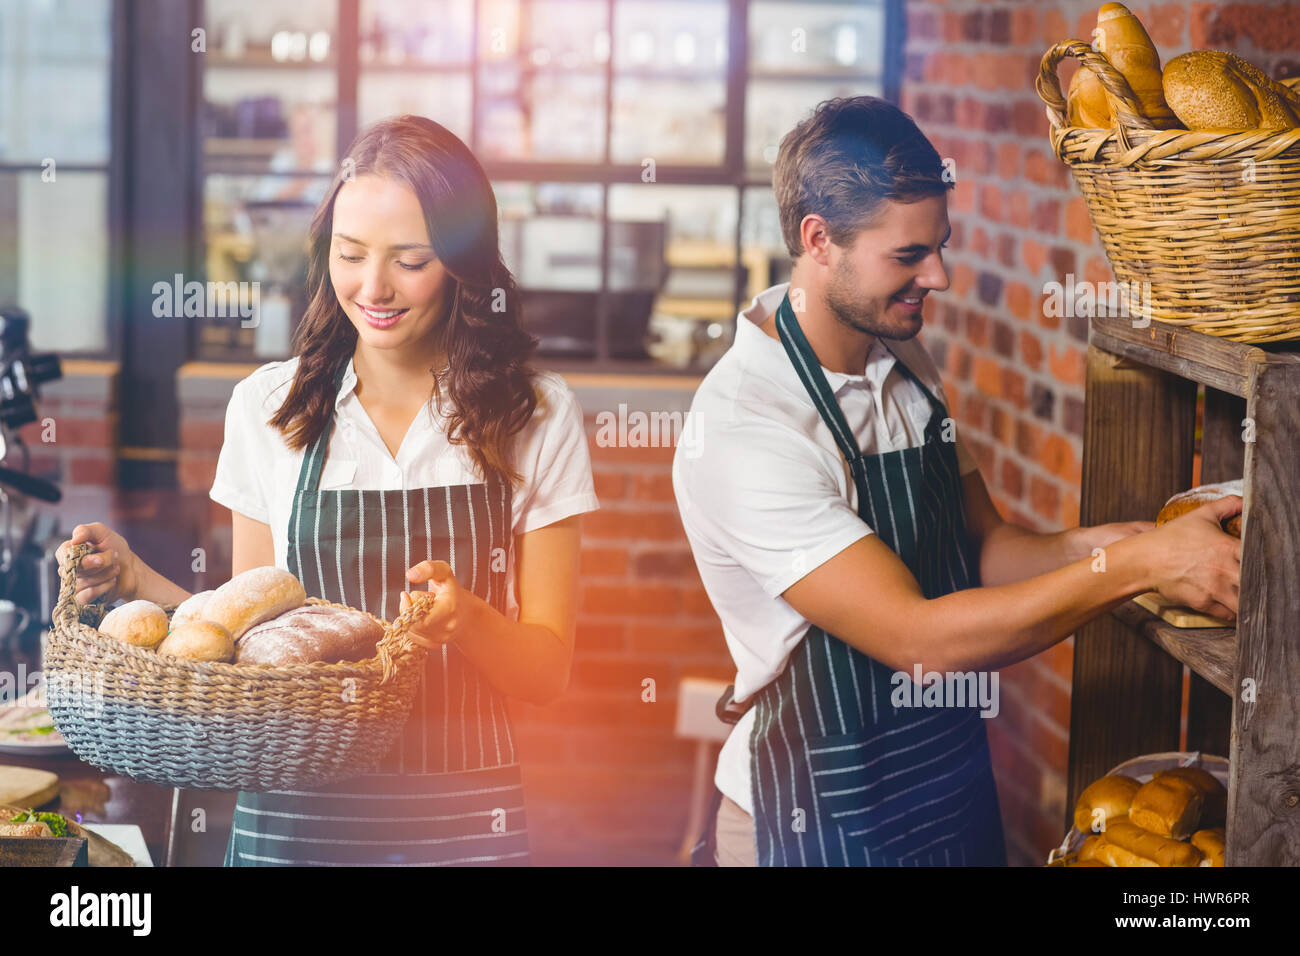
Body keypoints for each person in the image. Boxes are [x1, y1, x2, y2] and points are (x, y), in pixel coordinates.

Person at [671, 96, 1242, 867]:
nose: (936, 277)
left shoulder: (901, 356)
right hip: (814, 811)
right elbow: (920, 640)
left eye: (939, 246)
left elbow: (984, 549)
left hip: (945, 787)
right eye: (908, 256)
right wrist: (1135, 570)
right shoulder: (749, 421)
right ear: (819, 241)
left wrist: (1109, 545)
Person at [57, 114, 599, 866]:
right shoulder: (270, 408)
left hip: (465, 823)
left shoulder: (534, 413)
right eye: (350, 255)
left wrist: (467, 620)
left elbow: (546, 673)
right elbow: (245, 641)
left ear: (463, 261)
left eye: (410, 261)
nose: (372, 288)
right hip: (292, 822)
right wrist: (135, 579)